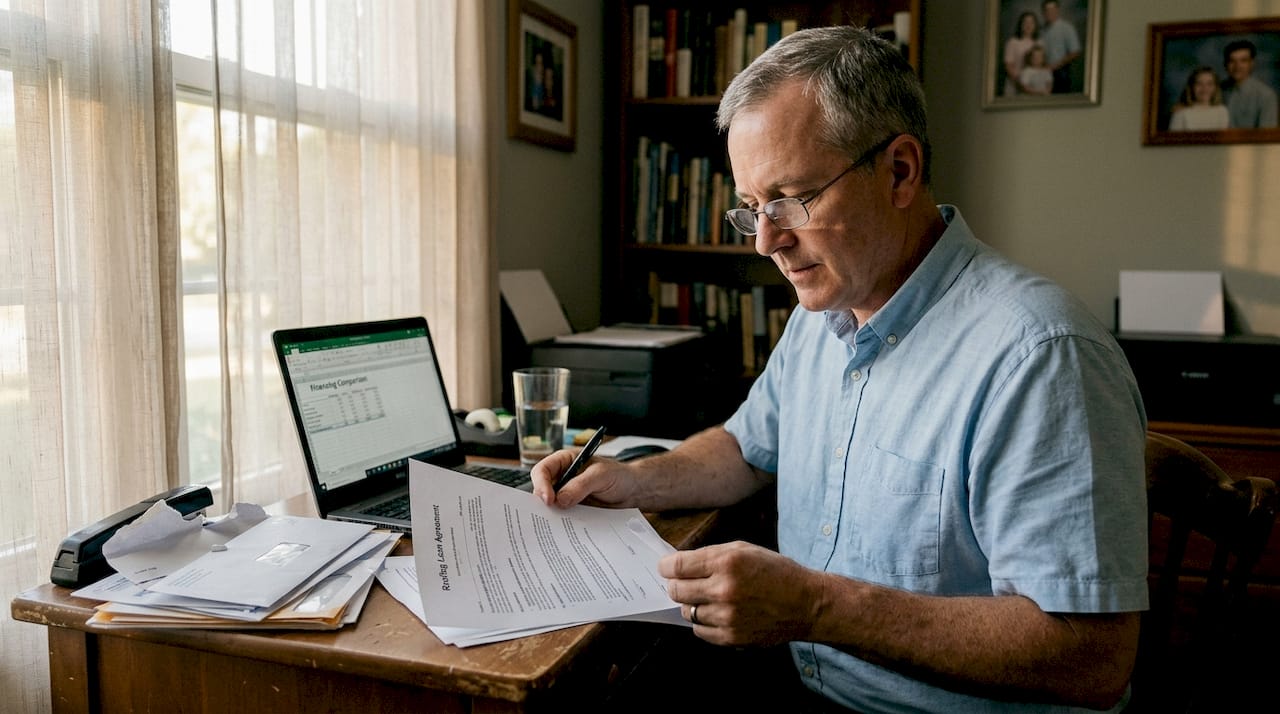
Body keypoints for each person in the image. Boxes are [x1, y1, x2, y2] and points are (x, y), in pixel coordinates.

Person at [533, 24, 1148, 714]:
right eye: (751, 208)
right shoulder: (824, 312)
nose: (766, 240)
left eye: (793, 199)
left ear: (900, 171)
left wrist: (819, 609)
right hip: (806, 684)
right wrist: (631, 479)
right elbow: (746, 447)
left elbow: (1092, 656)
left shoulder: (1041, 356)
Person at [1220, 39, 1279, 128]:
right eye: (1232, 61)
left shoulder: (1266, 96)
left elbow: (1266, 137)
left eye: (1243, 61)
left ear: (1252, 64)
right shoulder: (1217, 90)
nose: (1237, 66)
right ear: (1225, 64)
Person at [1169, 66, 1230, 131]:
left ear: (1215, 87)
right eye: (1199, 83)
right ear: (1191, 87)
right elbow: (1171, 140)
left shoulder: (1222, 111)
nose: (1204, 88)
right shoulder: (1181, 113)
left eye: (1209, 84)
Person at [1040, 0, 1081, 94]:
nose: (1049, 12)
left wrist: (1055, 66)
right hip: (1043, 72)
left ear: (1057, 10)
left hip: (1060, 72)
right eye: (1047, 10)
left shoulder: (1067, 28)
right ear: (1043, 12)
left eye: (1052, 10)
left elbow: (1075, 52)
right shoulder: (1041, 30)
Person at [1002, 11, 1040, 96]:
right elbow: (1009, 66)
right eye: (1025, 22)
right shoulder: (1013, 42)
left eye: (1031, 22)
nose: (1028, 25)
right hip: (1015, 85)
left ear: (1035, 25)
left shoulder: (1039, 43)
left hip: (1034, 87)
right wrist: (1021, 84)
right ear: (1021, 25)